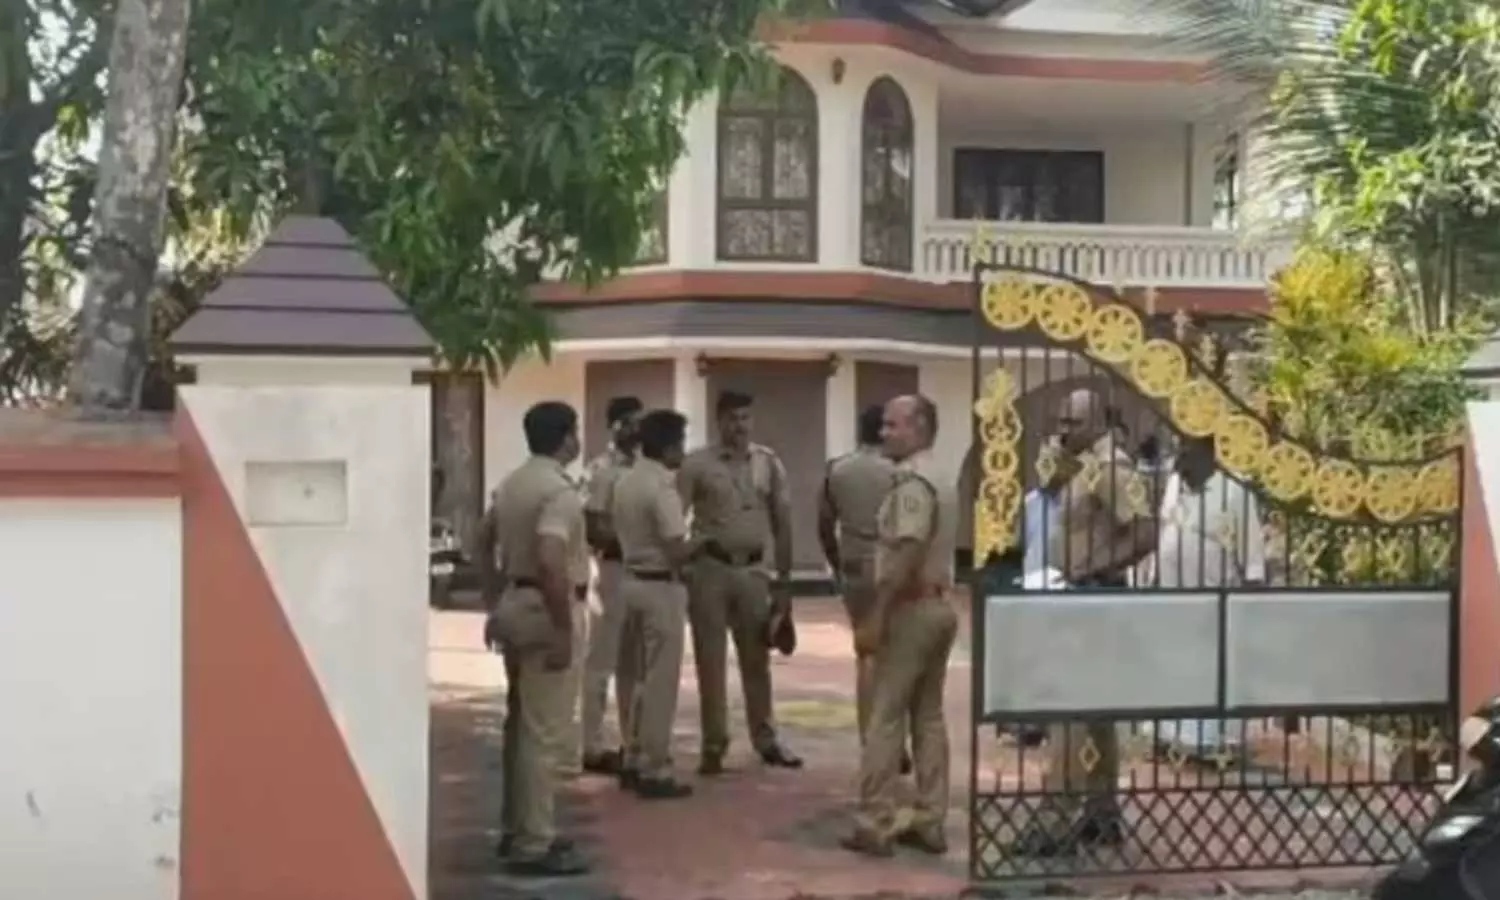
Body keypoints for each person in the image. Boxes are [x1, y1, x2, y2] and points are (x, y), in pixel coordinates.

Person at [1011, 388, 1157, 858]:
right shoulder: (1086, 466)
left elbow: (1145, 532)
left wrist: (1093, 566)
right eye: (1061, 421)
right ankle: (1101, 812)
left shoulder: (1113, 468)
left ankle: (1056, 819)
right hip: (1079, 598)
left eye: (1072, 422)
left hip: (1093, 598)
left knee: (1068, 712)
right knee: (1096, 715)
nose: (1062, 429)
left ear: (1097, 423)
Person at [476, 401, 590, 877]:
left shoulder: (512, 484)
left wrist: (494, 599)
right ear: (566, 438)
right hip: (548, 607)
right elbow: (550, 556)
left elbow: (481, 541)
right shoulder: (559, 492)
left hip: (515, 603)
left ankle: (518, 827)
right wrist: (563, 628)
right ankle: (534, 841)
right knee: (543, 732)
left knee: (520, 725)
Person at [842, 394, 959, 858]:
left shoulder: (913, 484)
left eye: (894, 426)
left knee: (885, 715)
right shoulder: (941, 476)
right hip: (939, 604)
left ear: (920, 428)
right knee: (928, 715)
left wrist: (877, 613)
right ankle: (930, 817)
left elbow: (907, 549)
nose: (884, 433)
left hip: (910, 608)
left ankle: (875, 820)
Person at [677, 390, 802, 773]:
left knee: (757, 659)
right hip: (710, 571)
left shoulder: (768, 463)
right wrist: (685, 562)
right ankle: (714, 744)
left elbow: (782, 523)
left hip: (753, 572)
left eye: (745, 417)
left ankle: (766, 738)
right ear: (719, 421)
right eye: (732, 418)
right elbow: (673, 516)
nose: (739, 426)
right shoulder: (697, 464)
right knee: (710, 661)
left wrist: (784, 582)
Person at [1140, 437, 1265, 759]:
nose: (1179, 455)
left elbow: (1252, 559)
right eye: (1177, 446)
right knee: (1172, 670)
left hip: (1214, 608)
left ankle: (1211, 747)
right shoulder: (1173, 487)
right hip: (1171, 602)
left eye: (1187, 447)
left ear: (1208, 452)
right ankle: (1167, 739)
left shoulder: (1235, 493)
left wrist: (1245, 609)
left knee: (1211, 675)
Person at [818, 403, 911, 772]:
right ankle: (893, 742)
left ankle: (869, 741)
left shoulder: (838, 470)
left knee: (866, 654)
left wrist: (838, 561)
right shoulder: (900, 473)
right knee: (897, 656)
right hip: (891, 561)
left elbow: (824, 523)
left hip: (855, 563)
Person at [612, 409, 699, 799]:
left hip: (630, 581)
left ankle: (633, 755)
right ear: (668, 446)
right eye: (680, 443)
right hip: (660, 584)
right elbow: (676, 548)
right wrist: (706, 541)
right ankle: (654, 766)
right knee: (660, 682)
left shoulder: (626, 481)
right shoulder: (662, 487)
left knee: (637, 679)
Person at [579, 396, 644, 775]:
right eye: (629, 422)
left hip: (641, 574)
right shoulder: (600, 471)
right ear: (614, 426)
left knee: (633, 665)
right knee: (601, 661)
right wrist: (634, 542)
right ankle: (590, 744)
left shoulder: (646, 469)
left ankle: (632, 743)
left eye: (639, 422)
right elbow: (594, 527)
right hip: (611, 572)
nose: (636, 430)